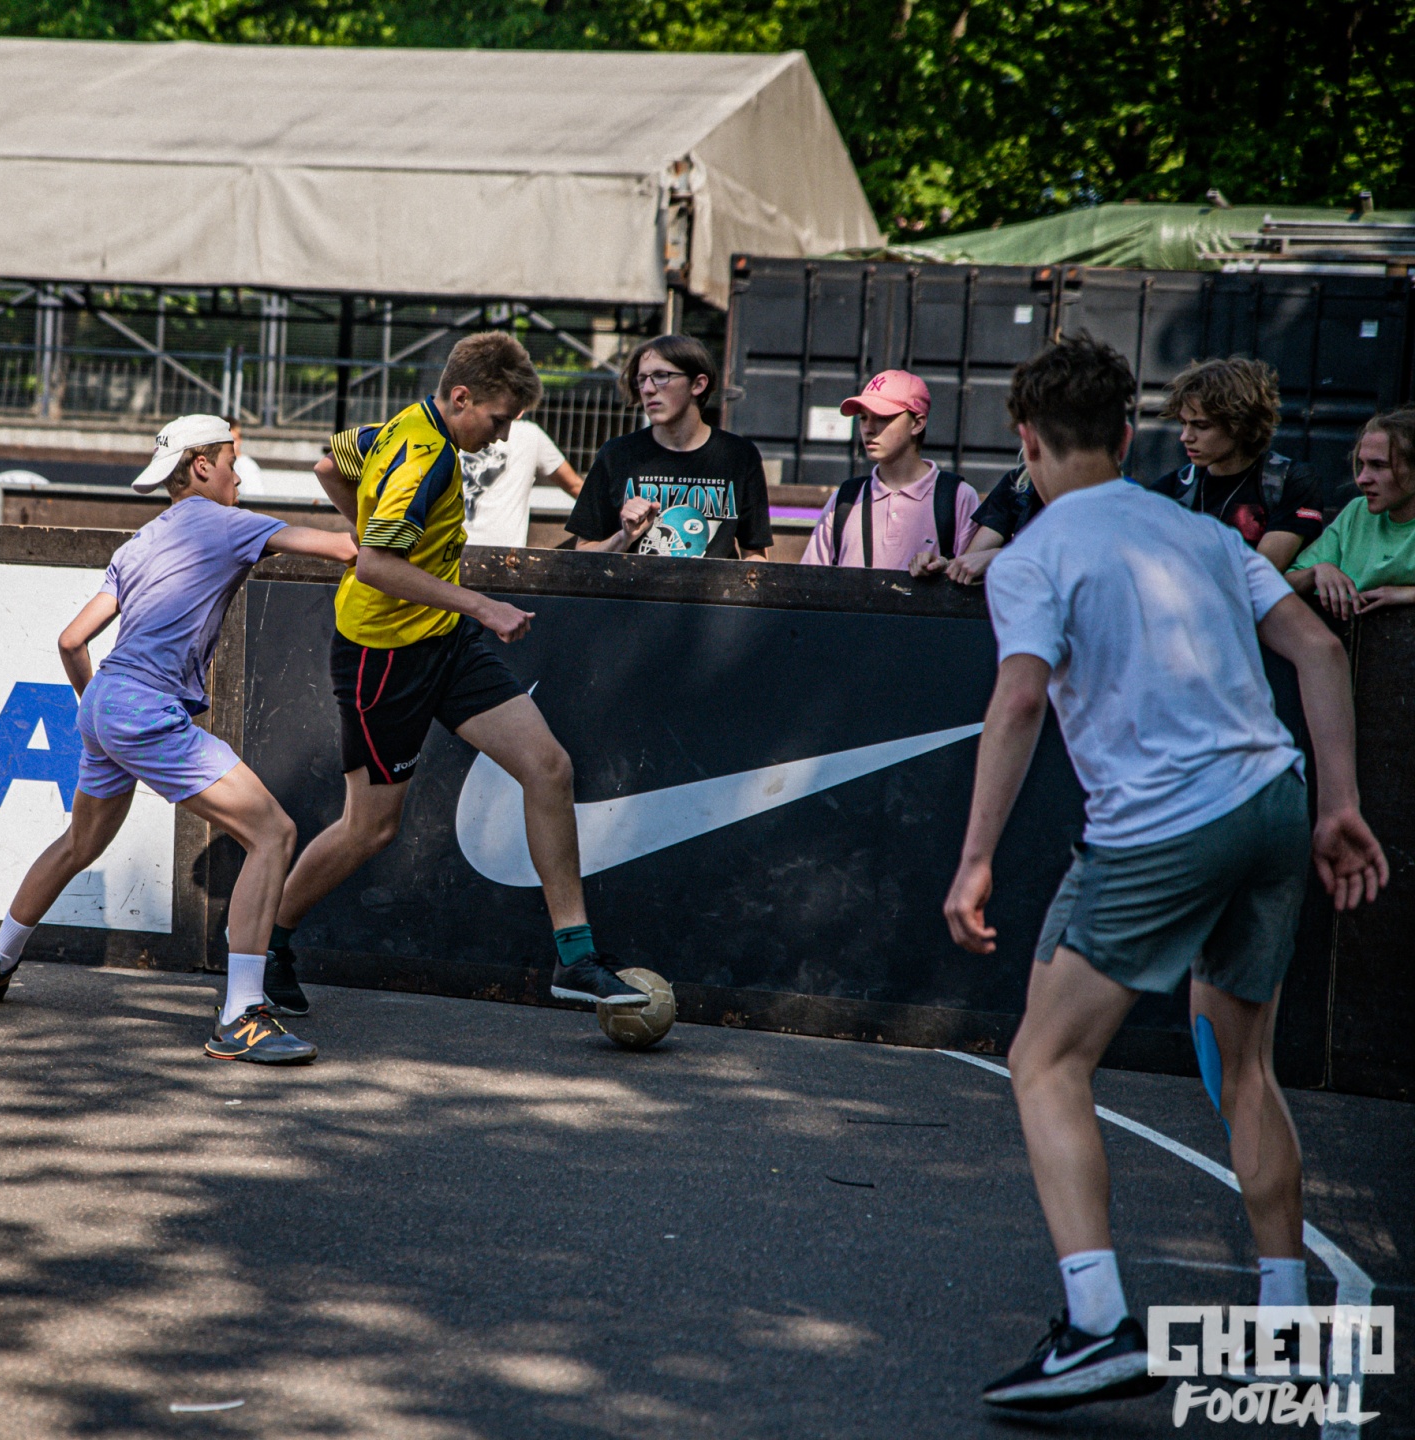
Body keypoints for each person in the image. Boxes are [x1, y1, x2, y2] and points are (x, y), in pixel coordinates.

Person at [941, 335, 1388, 1413]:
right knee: (1245, 1068)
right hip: (1271, 803)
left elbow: (1019, 699)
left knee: (1045, 1060)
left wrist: (976, 857)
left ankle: (1096, 1324)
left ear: (1027, 441)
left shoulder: (1035, 556)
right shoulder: (1201, 533)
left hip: (1161, 828)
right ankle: (1286, 1316)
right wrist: (1338, 803)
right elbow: (1321, 652)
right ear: (1127, 434)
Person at [0, 415, 359, 1064]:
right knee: (274, 833)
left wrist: (102, 711)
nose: (237, 478)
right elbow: (348, 549)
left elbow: (71, 641)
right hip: (144, 710)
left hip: (103, 703)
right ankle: (242, 1016)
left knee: (80, 842)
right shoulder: (228, 523)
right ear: (201, 467)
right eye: (232, 464)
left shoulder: (138, 544)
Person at [270, 332, 648, 1016]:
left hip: (444, 638)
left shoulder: (399, 425)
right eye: (498, 420)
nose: (502, 437)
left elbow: (330, 464)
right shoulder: (425, 458)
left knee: (549, 768)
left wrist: (378, 533)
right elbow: (376, 565)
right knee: (370, 829)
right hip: (383, 656)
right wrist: (483, 605)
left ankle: (575, 956)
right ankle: (266, 943)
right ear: (463, 396)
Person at [566, 335, 771, 559]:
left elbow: (755, 555)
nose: (647, 389)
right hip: (633, 582)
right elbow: (583, 552)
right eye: (641, 379)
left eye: (661, 376)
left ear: (698, 384)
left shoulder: (738, 455)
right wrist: (624, 537)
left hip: (714, 582)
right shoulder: (616, 454)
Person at [1146, 358, 1331, 572]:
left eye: (1201, 425)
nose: (1185, 437)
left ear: (1240, 425)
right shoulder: (1172, 489)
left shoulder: (1289, 481)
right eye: (1183, 423)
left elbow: (1262, 572)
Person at [801, 370, 979, 570]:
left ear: (917, 424)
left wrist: (943, 567)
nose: (868, 429)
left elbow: (974, 577)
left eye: (882, 418)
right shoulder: (845, 499)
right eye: (863, 418)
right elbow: (810, 579)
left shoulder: (957, 497)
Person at [1285, 407, 1415, 620]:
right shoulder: (1357, 512)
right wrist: (1316, 571)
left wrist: (1408, 594)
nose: (1362, 478)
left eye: (1378, 465)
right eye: (1362, 465)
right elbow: (1281, 586)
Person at [459, 415, 583, 548]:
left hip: (490, 548)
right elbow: (575, 485)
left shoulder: (529, 435)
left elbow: (575, 486)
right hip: (495, 549)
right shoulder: (530, 434)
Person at [225, 417, 267, 496]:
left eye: (234, 440)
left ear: (240, 440)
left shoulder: (247, 466)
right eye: (226, 441)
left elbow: (253, 497)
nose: (230, 445)